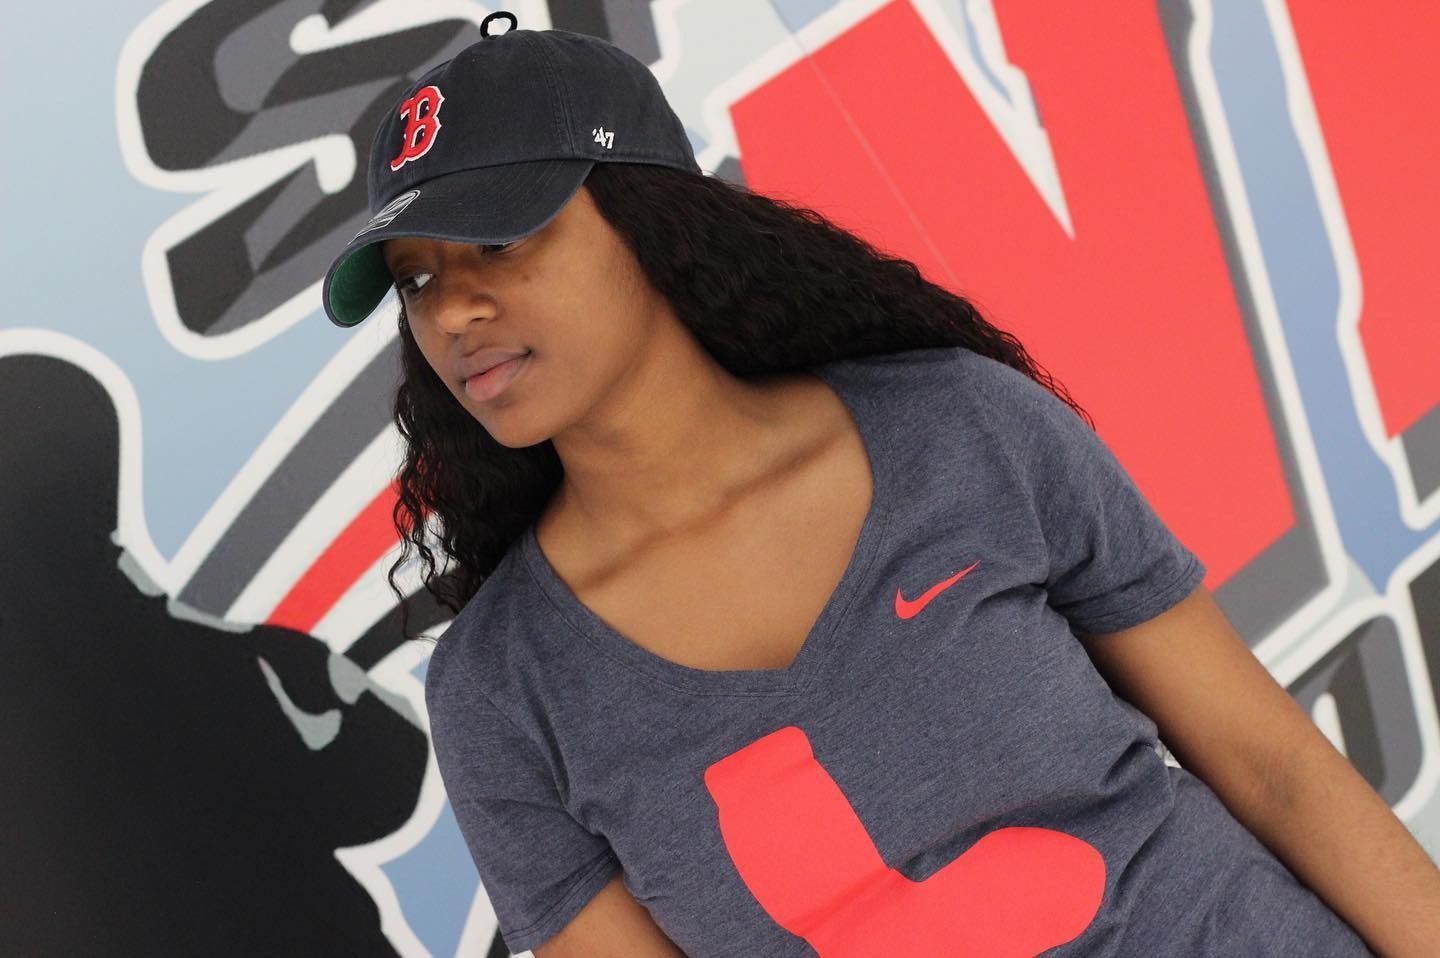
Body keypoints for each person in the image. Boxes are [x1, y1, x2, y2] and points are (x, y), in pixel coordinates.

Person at [321, 12, 1436, 957]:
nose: (453, 310)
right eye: (417, 279)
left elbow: (1274, 769)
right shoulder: (502, 689)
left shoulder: (960, 426)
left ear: (650, 216)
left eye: (500, 243)